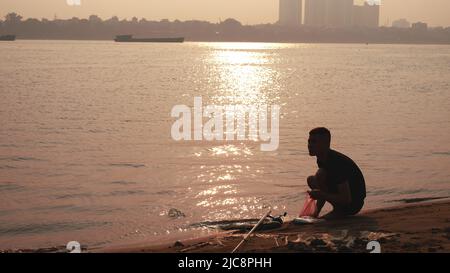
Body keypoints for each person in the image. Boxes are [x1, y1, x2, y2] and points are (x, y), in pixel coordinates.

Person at [307, 127, 366, 219]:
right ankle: (330, 211)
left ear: (325, 144)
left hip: (353, 204)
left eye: (314, 142)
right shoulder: (321, 159)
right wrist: (315, 212)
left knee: (319, 175)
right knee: (312, 179)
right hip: (344, 196)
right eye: (309, 141)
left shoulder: (336, 163)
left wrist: (321, 195)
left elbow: (346, 199)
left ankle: (339, 211)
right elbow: (322, 186)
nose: (309, 145)